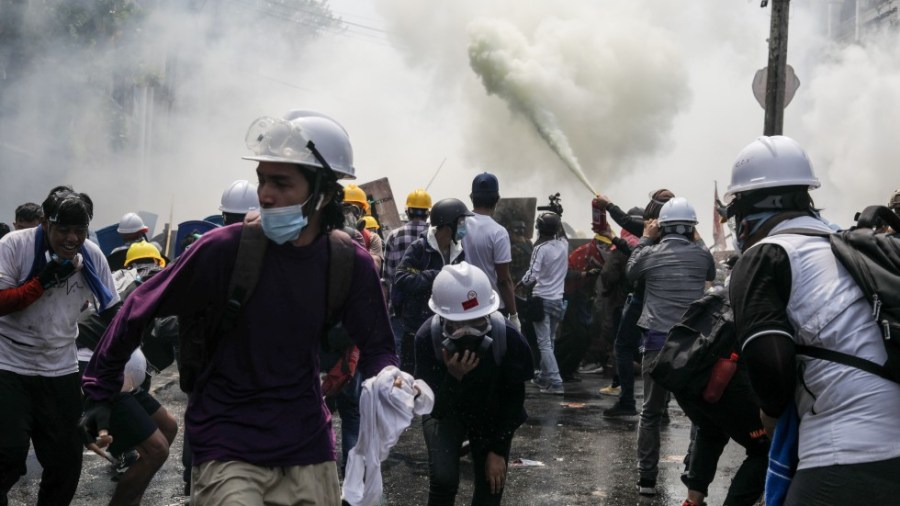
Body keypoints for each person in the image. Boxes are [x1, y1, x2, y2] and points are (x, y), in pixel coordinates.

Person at [81, 111, 398, 505]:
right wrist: (100, 391)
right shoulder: (224, 250)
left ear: (325, 194)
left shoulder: (348, 262)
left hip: (308, 447)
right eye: (263, 179)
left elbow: (378, 344)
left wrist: (391, 379)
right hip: (226, 442)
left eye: (281, 183)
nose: (265, 194)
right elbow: (137, 308)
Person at [725, 136, 900, 505]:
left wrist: (770, 414)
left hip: (845, 452)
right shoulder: (843, 244)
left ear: (746, 211)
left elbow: (770, 364)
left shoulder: (764, 256)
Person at [0, 186, 119, 506]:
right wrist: (41, 281)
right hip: (9, 362)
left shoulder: (92, 256)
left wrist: (108, 376)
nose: (71, 239)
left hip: (59, 366)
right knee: (7, 454)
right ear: (45, 225)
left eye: (79, 231)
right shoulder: (13, 245)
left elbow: (115, 316)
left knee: (66, 463)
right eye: (62, 230)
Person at [414, 262, 532, 506]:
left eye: (477, 323)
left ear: (489, 313)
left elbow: (513, 401)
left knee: (492, 484)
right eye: (456, 326)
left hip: (492, 414)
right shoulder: (428, 338)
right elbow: (434, 409)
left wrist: (498, 450)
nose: (467, 333)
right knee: (444, 478)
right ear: (442, 317)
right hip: (446, 413)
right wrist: (453, 377)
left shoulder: (508, 339)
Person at [626, 196, 715, 496]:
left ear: (661, 228)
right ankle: (692, 468)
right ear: (691, 229)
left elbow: (630, 273)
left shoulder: (650, 255)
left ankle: (647, 480)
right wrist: (698, 238)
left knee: (650, 413)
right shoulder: (701, 257)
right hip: (691, 345)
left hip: (655, 343)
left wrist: (645, 239)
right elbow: (711, 270)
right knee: (697, 413)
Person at [603, 193, 675, 418]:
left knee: (623, 347)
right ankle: (662, 406)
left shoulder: (653, 229)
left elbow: (626, 223)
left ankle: (627, 401)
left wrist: (608, 204)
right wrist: (614, 239)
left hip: (642, 298)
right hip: (666, 300)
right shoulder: (682, 235)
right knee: (662, 350)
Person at [393, 198, 471, 373]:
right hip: (416, 327)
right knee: (413, 376)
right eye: (461, 222)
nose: (464, 227)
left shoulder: (458, 252)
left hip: (446, 328)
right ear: (448, 225)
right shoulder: (419, 249)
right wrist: (436, 275)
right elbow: (402, 278)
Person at [462, 172, 520, 330]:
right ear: (497, 200)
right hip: (491, 308)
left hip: (461, 306)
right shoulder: (498, 232)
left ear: (472, 197)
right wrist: (514, 315)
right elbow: (504, 280)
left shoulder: (459, 225)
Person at [519, 212, 568, 395]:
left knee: (544, 343)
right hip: (558, 301)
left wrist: (521, 283)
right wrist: (557, 214)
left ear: (539, 229)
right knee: (550, 341)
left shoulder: (540, 249)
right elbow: (561, 231)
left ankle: (555, 382)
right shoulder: (564, 245)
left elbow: (533, 274)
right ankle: (545, 377)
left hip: (542, 300)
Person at [383, 188, 431, 356]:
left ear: (408, 211)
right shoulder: (436, 236)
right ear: (428, 212)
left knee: (398, 366)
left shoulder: (394, 236)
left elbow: (387, 277)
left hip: (399, 311)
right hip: (430, 312)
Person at [343, 183, 383, 272]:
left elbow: (374, 268)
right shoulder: (329, 234)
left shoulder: (372, 238)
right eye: (346, 209)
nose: (350, 215)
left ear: (363, 213)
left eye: (356, 210)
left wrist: (356, 239)